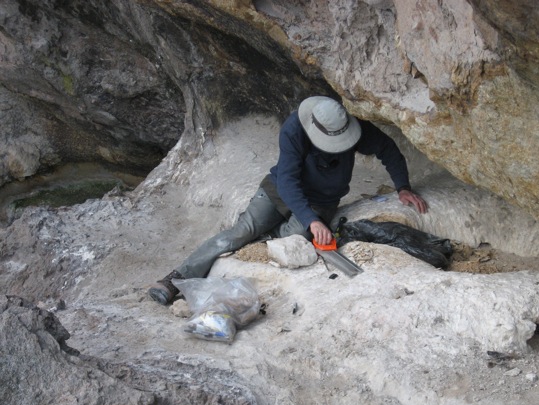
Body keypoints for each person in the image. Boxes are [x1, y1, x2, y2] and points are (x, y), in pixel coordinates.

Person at [148, 96, 428, 305]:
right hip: (280, 189)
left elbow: (388, 149)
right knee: (239, 233)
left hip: (323, 199)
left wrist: (402, 186)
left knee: (294, 238)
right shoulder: (295, 129)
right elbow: (288, 181)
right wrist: (312, 220)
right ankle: (175, 279)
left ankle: (263, 238)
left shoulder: (349, 126)